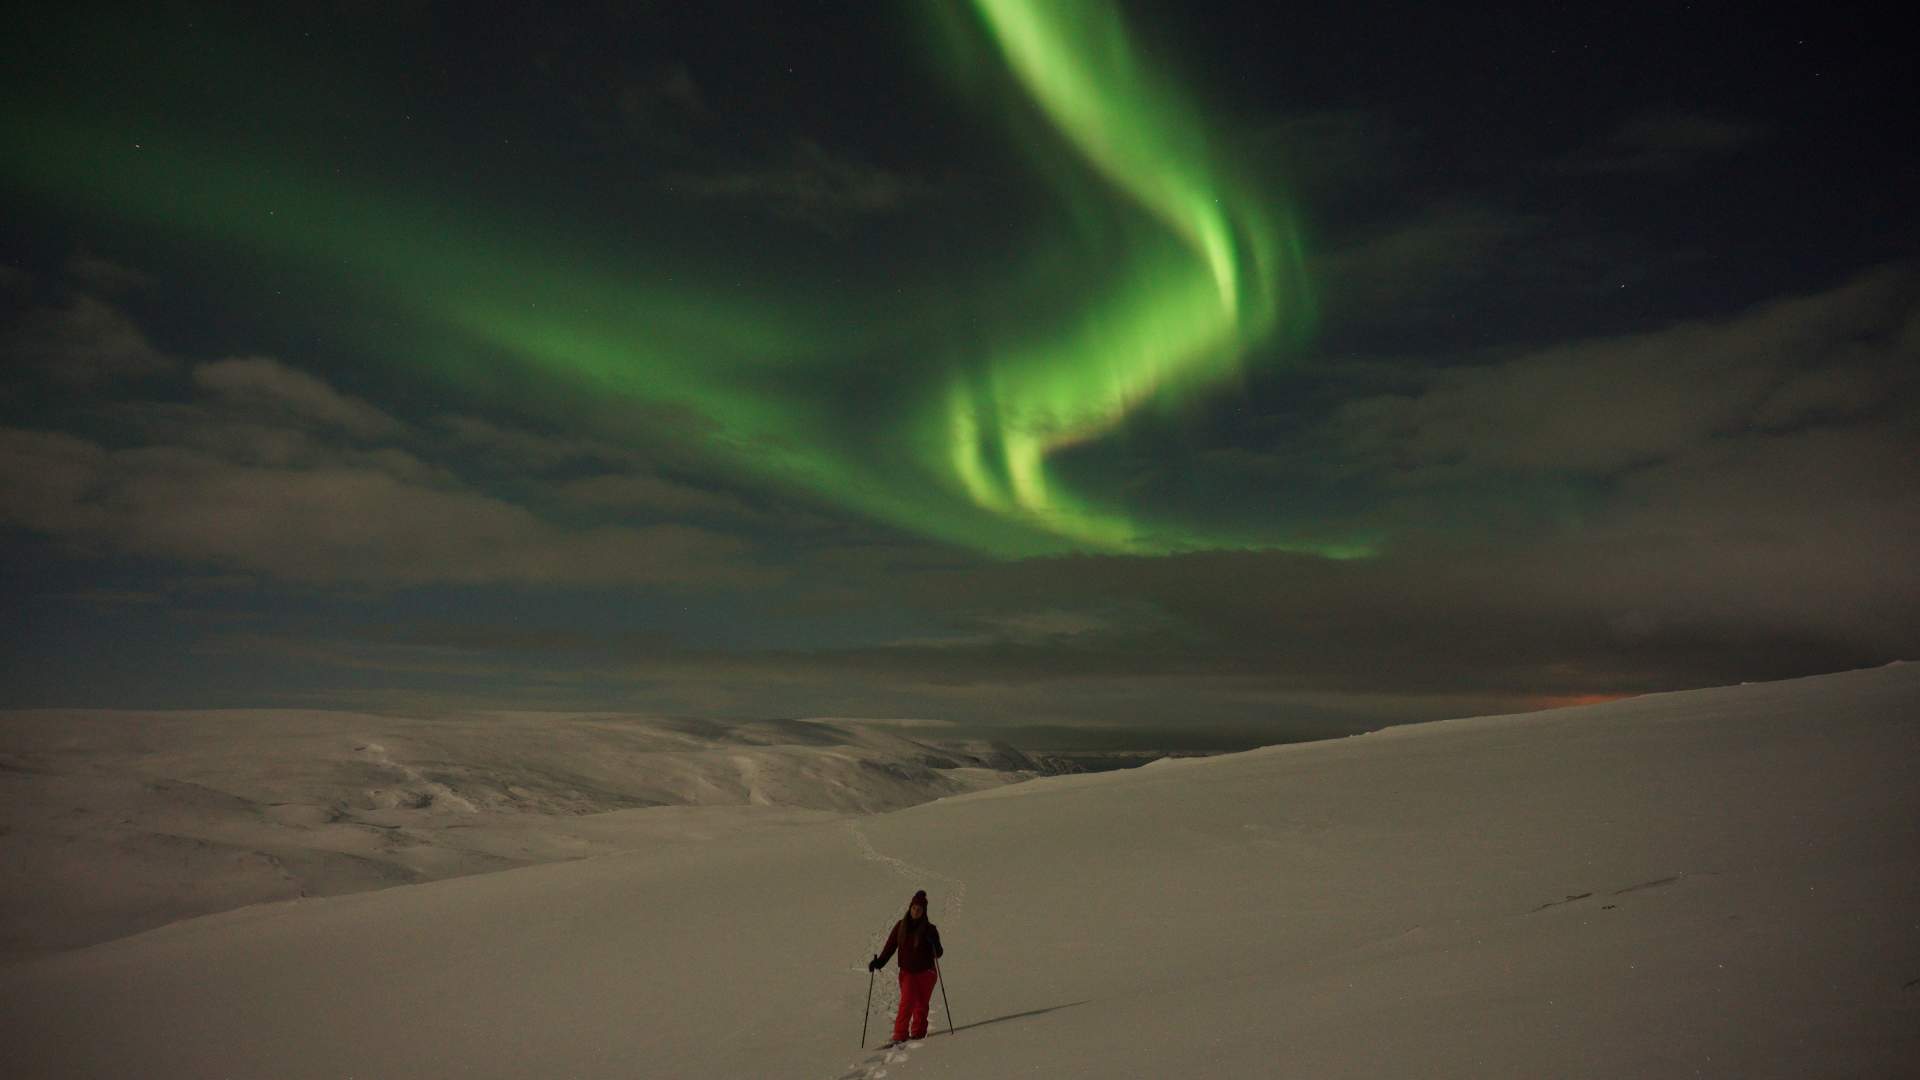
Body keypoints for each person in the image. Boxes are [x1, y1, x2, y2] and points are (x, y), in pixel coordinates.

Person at [868, 889, 943, 1044]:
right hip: (907, 972)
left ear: (924, 911)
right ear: (910, 908)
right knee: (907, 1003)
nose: (916, 911)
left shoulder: (930, 929)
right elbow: (890, 947)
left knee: (921, 1004)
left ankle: (919, 1033)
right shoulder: (901, 926)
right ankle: (900, 1035)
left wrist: (933, 942)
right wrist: (879, 962)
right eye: (914, 908)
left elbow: (939, 953)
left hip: (927, 973)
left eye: (919, 909)